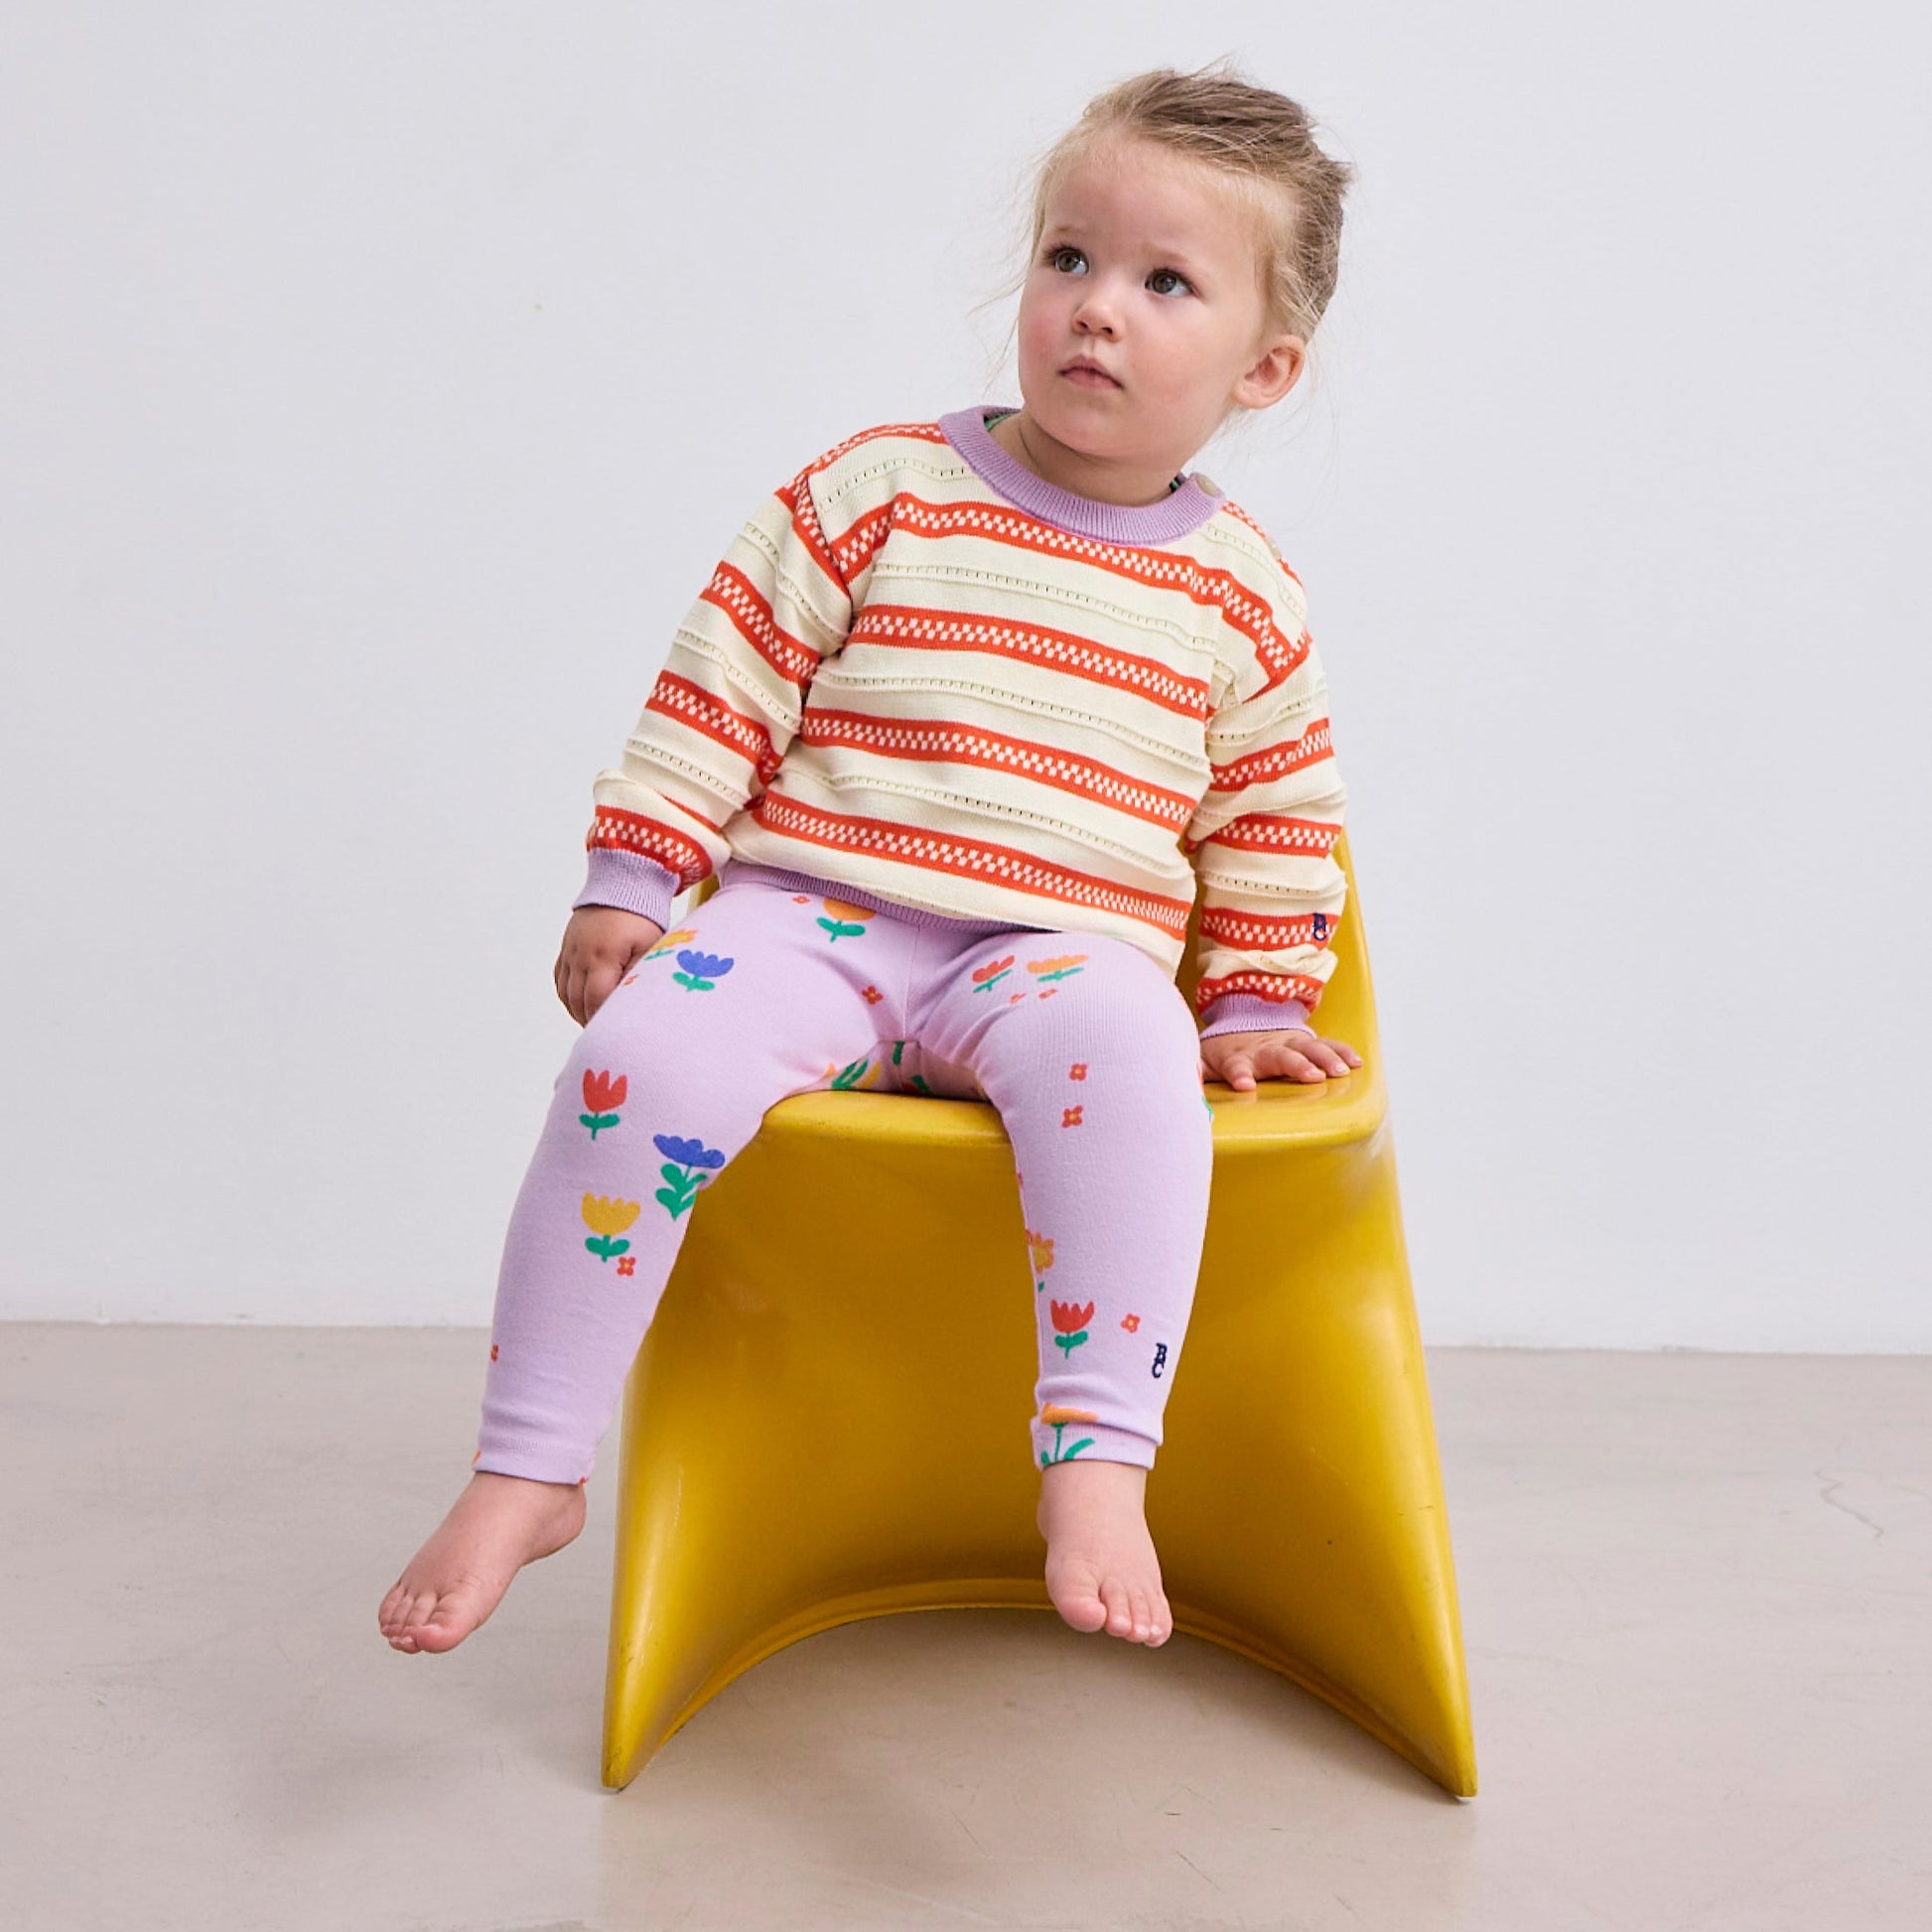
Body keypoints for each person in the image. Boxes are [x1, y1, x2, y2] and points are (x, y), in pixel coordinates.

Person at [379, 63, 1361, 1660]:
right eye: (1068, 258)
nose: (1094, 310)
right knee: (633, 1063)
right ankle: (529, 1460)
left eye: (1160, 282)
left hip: (1054, 961)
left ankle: (1098, 1458)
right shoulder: (879, 491)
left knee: (1138, 1062)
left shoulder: (1241, 594)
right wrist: (633, 878)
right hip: (807, 921)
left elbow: (1271, 816)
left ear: (1263, 367)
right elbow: (723, 684)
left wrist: (1254, 996)